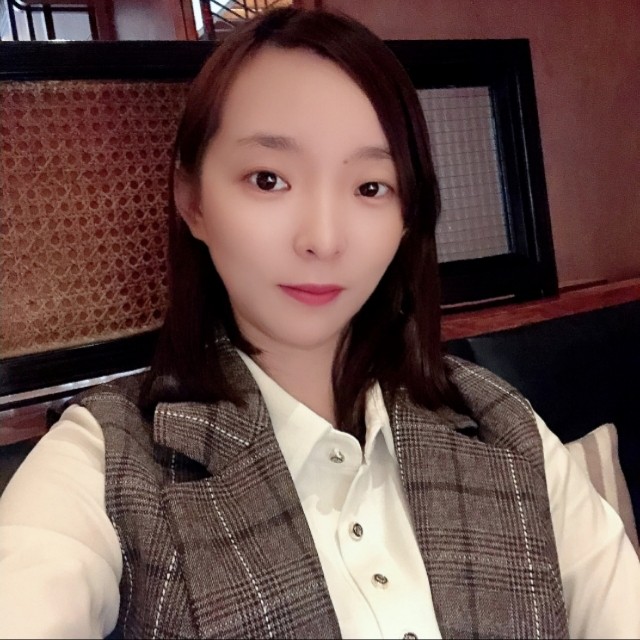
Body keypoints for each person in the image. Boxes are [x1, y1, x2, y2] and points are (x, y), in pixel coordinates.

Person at [1, 7, 639, 640]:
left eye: (370, 187)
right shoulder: (107, 461)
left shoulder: (505, 428)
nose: (323, 239)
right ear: (192, 200)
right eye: (268, 179)